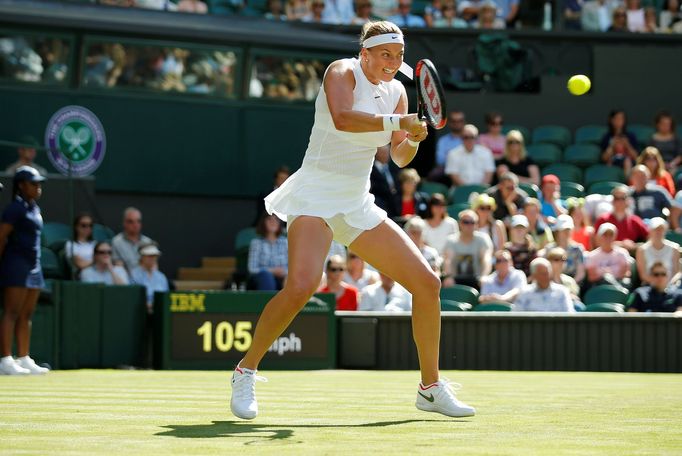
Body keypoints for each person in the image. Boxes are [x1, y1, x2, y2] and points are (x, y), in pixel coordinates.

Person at [230, 22, 475, 420]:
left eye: (398, 56)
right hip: (314, 196)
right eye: (385, 55)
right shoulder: (341, 71)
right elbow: (344, 118)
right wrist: (401, 123)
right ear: (365, 53)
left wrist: (412, 136)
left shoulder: (396, 91)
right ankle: (246, 370)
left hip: (357, 203)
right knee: (302, 286)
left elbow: (397, 157)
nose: (393, 63)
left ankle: (430, 388)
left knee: (427, 284)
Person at [0, 166, 49, 375]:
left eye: (39, 183)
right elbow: (1, 237)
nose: (38, 187)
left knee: (26, 314)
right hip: (16, 263)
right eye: (33, 183)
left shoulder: (34, 208)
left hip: (34, 265)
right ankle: (5, 360)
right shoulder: (15, 209)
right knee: (11, 312)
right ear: (21, 185)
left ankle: (23, 357)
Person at [442, 209, 493, 289]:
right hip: (455, 280)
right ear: (460, 223)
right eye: (466, 222)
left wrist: (484, 276)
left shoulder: (483, 239)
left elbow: (486, 259)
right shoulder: (451, 240)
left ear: (477, 224)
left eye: (472, 222)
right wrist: (448, 276)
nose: (469, 225)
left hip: (477, 280)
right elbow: (448, 260)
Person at [594, 185, 648, 253]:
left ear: (628, 201)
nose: (620, 201)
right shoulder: (603, 219)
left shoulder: (635, 220)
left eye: (623, 198)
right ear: (612, 201)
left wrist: (634, 246)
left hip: (630, 256)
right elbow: (596, 243)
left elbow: (649, 238)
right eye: (617, 198)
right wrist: (620, 244)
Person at [539, 214, 586, 284]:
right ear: (557, 231)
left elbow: (580, 273)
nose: (567, 232)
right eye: (563, 230)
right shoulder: (549, 249)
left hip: (572, 284)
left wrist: (570, 285)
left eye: (568, 229)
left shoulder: (578, 249)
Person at [585, 223, 631, 291]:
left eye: (611, 235)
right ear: (599, 237)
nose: (608, 238)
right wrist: (606, 275)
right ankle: (618, 290)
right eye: (605, 235)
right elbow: (591, 277)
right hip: (600, 286)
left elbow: (626, 273)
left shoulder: (622, 253)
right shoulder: (592, 256)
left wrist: (608, 273)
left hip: (620, 282)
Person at [247, 214, 288, 291]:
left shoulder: (286, 243)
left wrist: (284, 272)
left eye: (276, 219)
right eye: (269, 219)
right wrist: (272, 271)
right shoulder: (256, 243)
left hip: (283, 279)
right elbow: (252, 269)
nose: (273, 222)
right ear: (263, 222)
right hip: (262, 279)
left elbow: (293, 267)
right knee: (266, 276)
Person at [635, 217, 679, 285]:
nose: (659, 232)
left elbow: (675, 272)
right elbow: (643, 276)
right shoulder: (642, 250)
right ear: (650, 231)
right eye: (656, 229)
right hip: (649, 287)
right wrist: (659, 284)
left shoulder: (674, 248)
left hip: (670, 287)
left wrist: (667, 285)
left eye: (661, 229)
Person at [111, 207, 154, 273]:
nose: (135, 225)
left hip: (145, 279)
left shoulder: (148, 241)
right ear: (124, 223)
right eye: (131, 222)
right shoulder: (116, 242)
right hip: (126, 280)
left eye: (138, 221)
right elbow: (118, 266)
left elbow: (153, 265)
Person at [130, 243, 169, 313]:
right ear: (142, 257)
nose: (153, 258)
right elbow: (133, 298)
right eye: (149, 256)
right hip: (140, 313)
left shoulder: (161, 277)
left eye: (155, 255)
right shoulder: (134, 275)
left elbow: (166, 298)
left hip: (160, 313)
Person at [429, 111, 465, 185]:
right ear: (449, 122)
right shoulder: (443, 141)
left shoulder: (470, 137)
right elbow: (440, 160)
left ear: (464, 122)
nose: (457, 123)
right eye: (454, 121)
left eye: (460, 121)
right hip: (447, 171)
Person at [600, 109, 639, 175]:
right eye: (617, 118)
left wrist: (627, 145)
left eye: (621, 118)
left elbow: (636, 157)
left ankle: (627, 182)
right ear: (611, 120)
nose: (619, 121)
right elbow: (604, 158)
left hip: (628, 162)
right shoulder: (607, 137)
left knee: (627, 161)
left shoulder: (630, 136)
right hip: (612, 162)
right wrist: (612, 145)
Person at [370, 145, 401, 218]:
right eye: (383, 152)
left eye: (387, 153)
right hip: (379, 202)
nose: (386, 155)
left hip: (395, 202)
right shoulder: (371, 169)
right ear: (376, 153)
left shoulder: (394, 167)